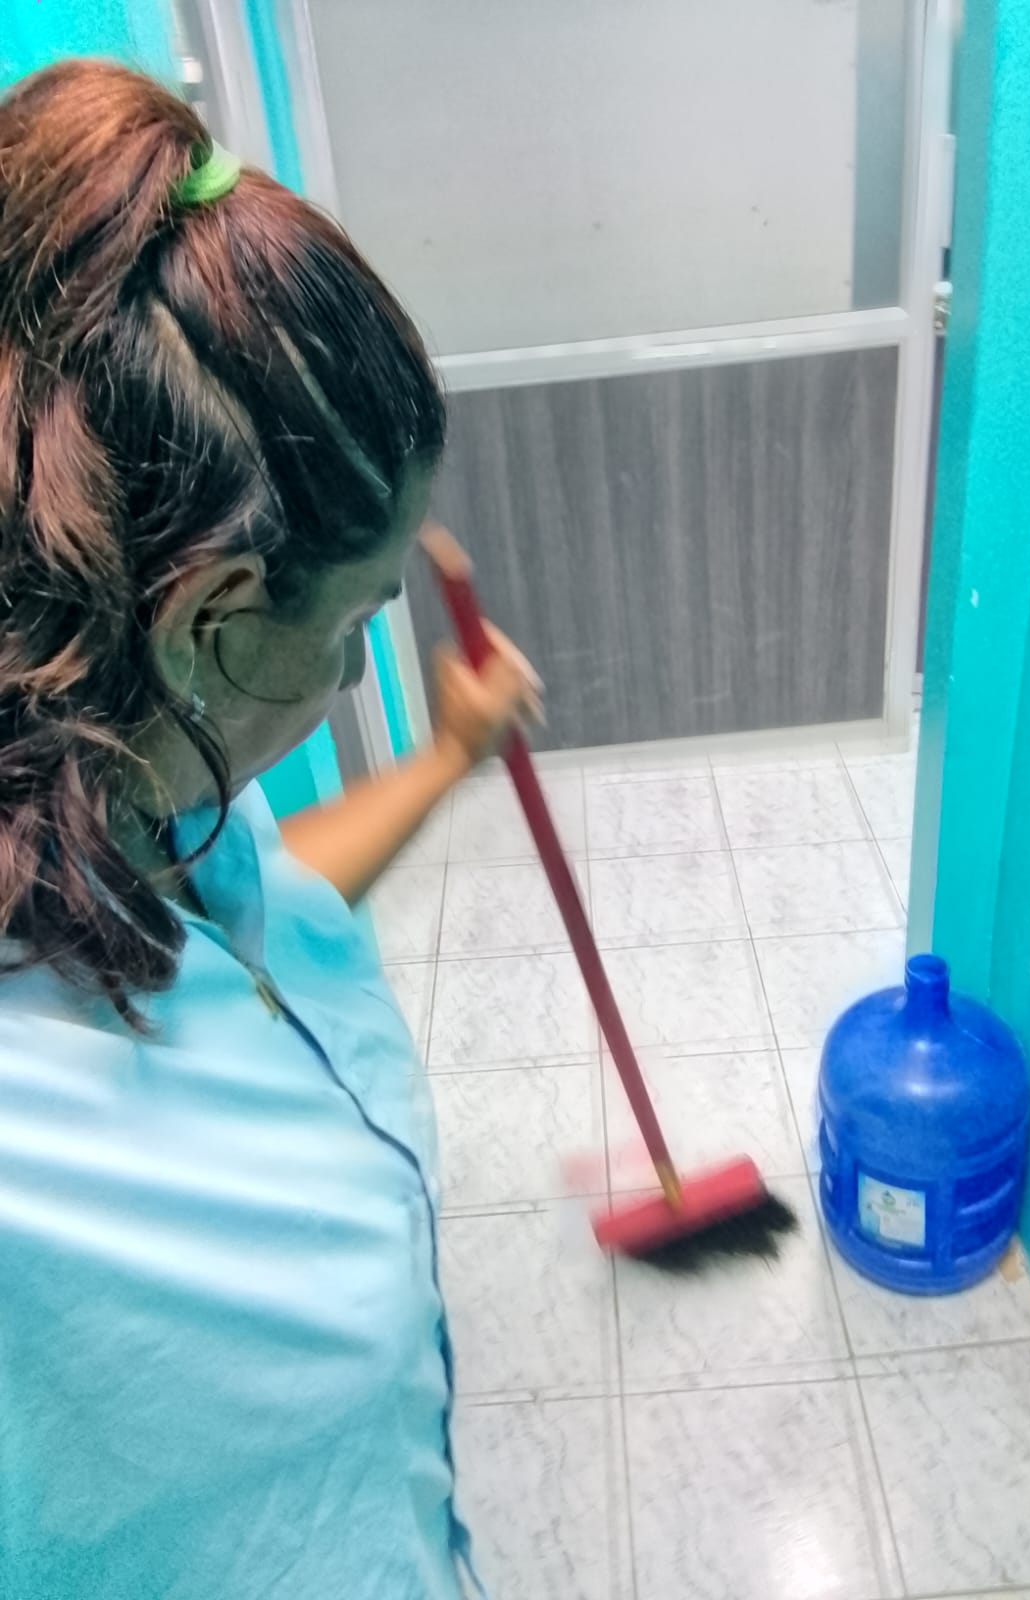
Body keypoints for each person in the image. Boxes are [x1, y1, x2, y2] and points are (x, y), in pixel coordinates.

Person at [0, 60, 541, 1599]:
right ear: (214, 617)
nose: (363, 665)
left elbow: (258, 923)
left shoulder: (124, 786)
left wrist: (442, 761)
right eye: (360, 619)